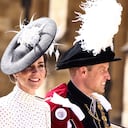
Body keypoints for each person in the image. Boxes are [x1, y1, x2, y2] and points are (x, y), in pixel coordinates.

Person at [45, 0, 123, 128]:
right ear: (83, 72)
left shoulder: (97, 106)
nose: (108, 76)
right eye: (102, 70)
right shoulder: (60, 109)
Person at [0, 17, 57, 128]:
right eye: (28, 67)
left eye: (41, 65)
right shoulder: (3, 108)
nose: (36, 72)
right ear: (15, 72)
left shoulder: (44, 108)